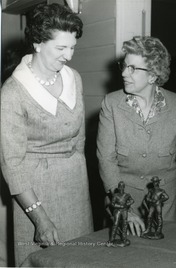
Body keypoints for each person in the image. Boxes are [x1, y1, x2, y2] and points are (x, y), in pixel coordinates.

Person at [0, 3, 93, 265]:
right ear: (39, 43)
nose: (69, 56)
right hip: (34, 194)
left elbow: (79, 140)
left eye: (72, 47)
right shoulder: (12, 93)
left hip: (76, 188)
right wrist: (39, 217)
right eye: (61, 48)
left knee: (81, 258)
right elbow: (12, 165)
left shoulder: (74, 78)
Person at [96, 36, 176, 237]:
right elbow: (106, 159)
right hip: (121, 202)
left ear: (153, 75)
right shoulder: (111, 104)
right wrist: (124, 208)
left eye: (132, 68)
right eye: (124, 66)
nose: (124, 73)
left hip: (163, 207)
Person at [107, 181, 134, 247]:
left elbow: (132, 200)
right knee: (115, 224)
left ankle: (124, 239)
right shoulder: (115, 195)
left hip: (124, 211)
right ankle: (112, 239)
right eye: (120, 186)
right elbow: (112, 204)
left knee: (125, 224)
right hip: (117, 211)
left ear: (124, 187)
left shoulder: (127, 195)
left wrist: (127, 204)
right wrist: (119, 206)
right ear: (118, 187)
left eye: (122, 186)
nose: (121, 188)